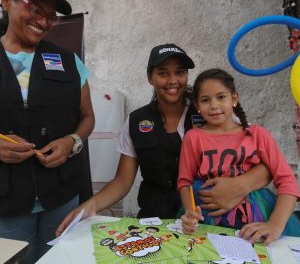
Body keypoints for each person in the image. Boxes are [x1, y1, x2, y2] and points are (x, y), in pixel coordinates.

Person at [57, 44, 271, 236]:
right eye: (163, 73)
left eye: (180, 72)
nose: (172, 81)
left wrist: (240, 186)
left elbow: (266, 166)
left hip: (208, 220)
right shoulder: (137, 121)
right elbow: (123, 181)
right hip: (156, 221)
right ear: (150, 77)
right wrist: (89, 206)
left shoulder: (211, 111)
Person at [0, 0, 95, 263]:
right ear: (6, 1)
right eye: (34, 8)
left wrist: (72, 142)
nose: (43, 21)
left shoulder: (69, 62)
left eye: (51, 15)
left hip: (62, 197)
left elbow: (87, 117)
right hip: (7, 203)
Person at [179, 68, 300, 245]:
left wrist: (275, 224)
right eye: (205, 100)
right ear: (197, 105)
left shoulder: (258, 134)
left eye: (221, 97)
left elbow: (287, 181)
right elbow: (184, 182)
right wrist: (190, 212)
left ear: (234, 99)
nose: (214, 105)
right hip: (207, 219)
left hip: (257, 218)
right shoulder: (193, 137)